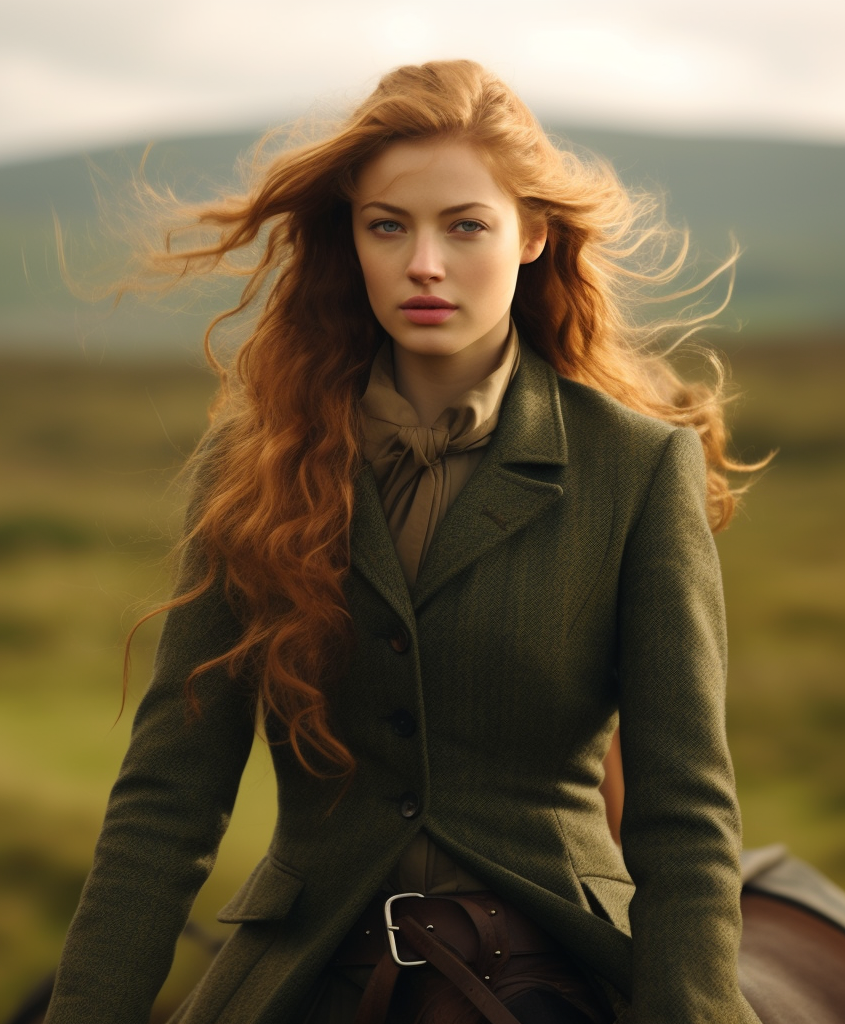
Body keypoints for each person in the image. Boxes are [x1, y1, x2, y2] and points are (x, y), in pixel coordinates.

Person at [43, 60, 762, 1024]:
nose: (425, 263)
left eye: (466, 225)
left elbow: (683, 814)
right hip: (303, 955)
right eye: (390, 225)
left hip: (551, 944)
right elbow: (169, 793)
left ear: (533, 234)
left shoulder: (636, 469)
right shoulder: (252, 465)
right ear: (354, 239)